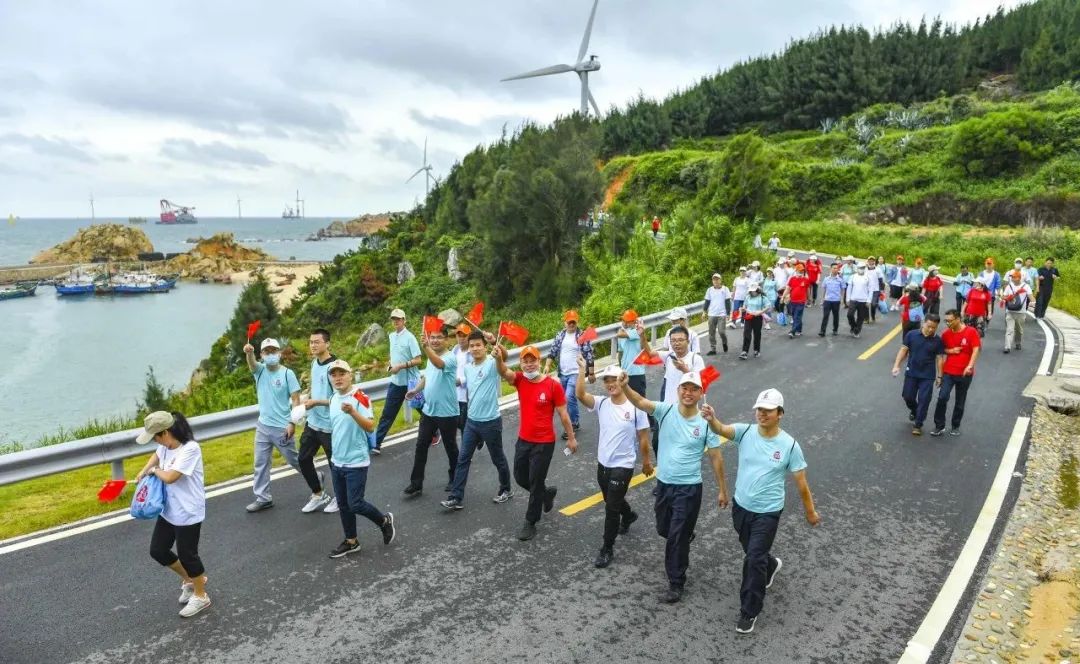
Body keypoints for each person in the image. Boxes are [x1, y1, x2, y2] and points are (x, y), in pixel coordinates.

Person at [702, 388, 820, 634]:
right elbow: (721, 429)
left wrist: (810, 512)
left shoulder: (789, 445)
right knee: (754, 553)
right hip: (741, 506)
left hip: (768, 512)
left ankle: (749, 611)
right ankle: (772, 564)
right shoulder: (745, 432)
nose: (762, 414)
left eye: (768, 411)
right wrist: (712, 418)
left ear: (780, 414)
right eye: (759, 410)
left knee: (753, 558)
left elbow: (802, 483)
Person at [619, 371, 728, 604]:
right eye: (684, 388)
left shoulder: (706, 422)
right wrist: (626, 386)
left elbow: (716, 457)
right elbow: (640, 401)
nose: (688, 393)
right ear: (678, 390)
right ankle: (684, 535)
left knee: (676, 538)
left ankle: (676, 581)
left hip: (689, 489)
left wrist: (722, 489)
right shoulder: (665, 410)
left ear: (700, 393)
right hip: (664, 485)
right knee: (663, 529)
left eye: (693, 389)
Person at [494, 344, 576, 541]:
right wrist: (498, 358)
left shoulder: (552, 385)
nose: (529, 365)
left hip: (544, 442)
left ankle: (530, 522)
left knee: (535, 480)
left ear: (539, 361)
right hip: (524, 439)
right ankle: (545, 495)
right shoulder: (520, 380)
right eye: (525, 361)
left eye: (533, 361)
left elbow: (563, 414)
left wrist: (571, 437)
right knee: (520, 476)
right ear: (521, 363)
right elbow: (503, 371)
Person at [135, 411, 211, 618]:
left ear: (166, 432)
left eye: (156, 437)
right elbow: (157, 455)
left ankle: (201, 596)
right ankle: (191, 579)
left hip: (188, 511)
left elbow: (170, 477)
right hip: (169, 510)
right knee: (158, 550)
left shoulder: (190, 449)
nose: (155, 442)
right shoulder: (165, 446)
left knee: (188, 555)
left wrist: (154, 471)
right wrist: (144, 470)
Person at [576, 360, 650, 568]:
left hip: (623, 465)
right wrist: (582, 370)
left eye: (614, 380)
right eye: (607, 381)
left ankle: (607, 548)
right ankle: (628, 515)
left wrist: (646, 462)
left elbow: (643, 437)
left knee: (610, 508)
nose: (610, 384)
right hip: (603, 463)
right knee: (610, 499)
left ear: (623, 380)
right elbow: (580, 395)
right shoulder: (601, 403)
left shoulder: (636, 406)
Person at [324, 359, 397, 558]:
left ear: (350, 374)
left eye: (342, 374)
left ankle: (384, 521)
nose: (338, 378)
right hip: (337, 460)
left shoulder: (360, 397)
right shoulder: (332, 398)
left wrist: (353, 412)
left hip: (356, 461)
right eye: (334, 374)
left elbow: (370, 426)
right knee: (343, 504)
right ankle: (351, 541)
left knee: (355, 503)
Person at [441, 331, 514, 510]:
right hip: (472, 422)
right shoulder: (468, 367)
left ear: (484, 346)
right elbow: (465, 384)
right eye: (472, 346)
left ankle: (506, 489)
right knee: (463, 459)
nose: (474, 348)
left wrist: (496, 344)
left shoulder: (491, 362)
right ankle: (456, 497)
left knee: (498, 459)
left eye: (478, 345)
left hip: (491, 422)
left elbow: (504, 357)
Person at [243, 337, 302, 513]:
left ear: (279, 353)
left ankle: (315, 477)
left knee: (295, 460)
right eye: (266, 352)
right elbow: (252, 364)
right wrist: (249, 352)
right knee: (260, 463)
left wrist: (292, 422)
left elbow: (296, 400)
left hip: (282, 428)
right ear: (262, 354)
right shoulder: (259, 371)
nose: (270, 355)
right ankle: (263, 498)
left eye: (273, 351)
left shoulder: (287, 374)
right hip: (263, 426)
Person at [402, 322, 461, 496]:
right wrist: (415, 390)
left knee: (451, 448)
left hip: (447, 412)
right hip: (429, 411)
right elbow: (427, 377)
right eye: (432, 337)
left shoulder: (449, 358)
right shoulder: (432, 356)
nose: (435, 340)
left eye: (439, 337)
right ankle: (416, 483)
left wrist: (426, 347)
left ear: (447, 340)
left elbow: (438, 365)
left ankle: (455, 478)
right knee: (421, 446)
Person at [297, 329, 337, 514]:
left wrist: (316, 402)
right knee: (303, 459)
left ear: (327, 344)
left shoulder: (334, 368)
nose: (313, 345)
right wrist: (308, 398)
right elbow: (315, 387)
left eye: (317, 342)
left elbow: (340, 399)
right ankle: (318, 493)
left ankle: (340, 497)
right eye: (311, 342)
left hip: (329, 426)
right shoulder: (315, 363)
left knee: (334, 465)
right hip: (313, 423)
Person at [373, 309, 422, 455]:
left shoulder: (410, 338)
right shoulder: (391, 336)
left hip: (411, 382)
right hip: (396, 382)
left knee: (422, 408)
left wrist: (401, 366)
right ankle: (376, 443)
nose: (396, 321)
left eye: (398, 319)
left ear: (404, 320)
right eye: (393, 319)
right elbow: (394, 355)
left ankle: (434, 433)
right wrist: (391, 364)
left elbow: (419, 360)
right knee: (388, 414)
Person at [544, 310, 596, 440]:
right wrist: (547, 365)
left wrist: (591, 372)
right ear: (565, 322)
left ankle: (572, 424)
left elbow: (589, 354)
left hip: (576, 372)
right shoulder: (560, 335)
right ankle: (575, 421)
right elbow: (553, 351)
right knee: (566, 399)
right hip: (563, 373)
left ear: (577, 322)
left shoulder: (582, 335)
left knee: (568, 397)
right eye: (569, 322)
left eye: (574, 322)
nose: (571, 324)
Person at [891, 315, 945, 436]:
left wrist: (940, 376)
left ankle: (918, 424)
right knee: (907, 396)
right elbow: (903, 350)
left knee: (924, 400)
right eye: (929, 326)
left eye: (934, 328)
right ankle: (914, 410)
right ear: (924, 323)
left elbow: (940, 359)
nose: (931, 330)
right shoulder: (911, 335)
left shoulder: (938, 341)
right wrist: (896, 365)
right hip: (912, 372)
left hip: (927, 375)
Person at [931, 309, 981, 437]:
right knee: (942, 397)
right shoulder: (946, 334)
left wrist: (970, 366)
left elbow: (976, 350)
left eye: (950, 321)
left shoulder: (971, 332)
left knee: (960, 400)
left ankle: (955, 425)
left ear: (958, 319)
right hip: (949, 372)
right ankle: (939, 425)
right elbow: (941, 352)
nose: (948, 324)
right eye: (946, 321)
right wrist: (951, 351)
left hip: (965, 373)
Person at [615, 310, 647, 397]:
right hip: (625, 372)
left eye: (626, 320)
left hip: (637, 373)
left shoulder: (637, 331)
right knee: (626, 403)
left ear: (634, 321)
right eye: (623, 320)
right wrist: (620, 369)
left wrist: (622, 328)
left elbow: (619, 334)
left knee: (640, 402)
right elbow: (620, 353)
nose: (624, 322)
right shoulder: (624, 333)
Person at [1001, 270, 1032, 353]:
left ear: (1019, 278)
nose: (1013, 279)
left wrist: (1034, 303)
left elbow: (1031, 297)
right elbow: (1004, 296)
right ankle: (1007, 347)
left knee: (1019, 330)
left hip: (1021, 312)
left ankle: (1018, 342)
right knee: (1009, 329)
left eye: (1015, 277)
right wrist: (1007, 298)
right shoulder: (1009, 286)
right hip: (1010, 310)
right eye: (1012, 277)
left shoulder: (1026, 286)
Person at [740, 283, 771, 360]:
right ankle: (744, 352)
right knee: (747, 333)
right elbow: (745, 305)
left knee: (757, 334)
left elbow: (768, 306)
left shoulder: (762, 297)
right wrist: (743, 309)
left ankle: (756, 350)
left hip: (758, 317)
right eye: (751, 291)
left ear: (757, 290)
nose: (752, 292)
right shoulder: (748, 297)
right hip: (748, 317)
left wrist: (760, 312)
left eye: (753, 291)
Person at [704, 273, 731, 354]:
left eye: (717, 279)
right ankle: (713, 349)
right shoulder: (709, 290)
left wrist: (728, 313)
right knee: (711, 332)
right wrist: (704, 311)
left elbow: (727, 302)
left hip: (722, 314)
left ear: (720, 280)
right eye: (714, 279)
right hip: (711, 314)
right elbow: (707, 301)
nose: (715, 281)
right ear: (712, 281)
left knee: (721, 332)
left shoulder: (725, 289)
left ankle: (724, 342)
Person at [782, 262, 810, 338]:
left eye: (802, 271)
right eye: (799, 271)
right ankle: (799, 330)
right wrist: (783, 297)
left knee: (797, 316)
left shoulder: (805, 280)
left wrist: (809, 299)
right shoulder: (792, 279)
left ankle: (792, 331)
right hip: (792, 301)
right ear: (796, 271)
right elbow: (788, 289)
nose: (801, 272)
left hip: (801, 301)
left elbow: (807, 290)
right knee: (795, 316)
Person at [845, 262, 873, 338]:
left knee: (860, 318)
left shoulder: (868, 277)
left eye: (863, 268)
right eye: (860, 268)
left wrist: (869, 300)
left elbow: (871, 290)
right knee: (850, 315)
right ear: (857, 269)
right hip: (853, 299)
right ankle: (853, 326)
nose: (861, 269)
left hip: (863, 300)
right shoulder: (853, 277)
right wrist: (847, 299)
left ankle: (856, 331)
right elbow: (849, 288)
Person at [818, 262, 845, 337]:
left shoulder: (840, 280)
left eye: (837, 268)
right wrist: (822, 299)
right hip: (827, 300)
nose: (836, 269)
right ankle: (822, 331)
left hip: (836, 300)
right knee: (825, 316)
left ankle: (835, 329)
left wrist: (842, 299)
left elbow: (843, 289)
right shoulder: (826, 279)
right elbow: (824, 289)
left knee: (836, 316)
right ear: (831, 269)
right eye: (834, 268)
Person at [453, 324, 471, 432]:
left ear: (469, 336)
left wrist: (461, 380)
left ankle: (475, 439)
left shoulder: (473, 352)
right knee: (457, 423)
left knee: (464, 426)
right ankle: (477, 436)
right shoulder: (455, 350)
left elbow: (476, 373)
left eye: (464, 335)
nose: (461, 338)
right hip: (455, 394)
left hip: (467, 395)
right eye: (459, 335)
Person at [866, 256, 885, 323]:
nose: (871, 262)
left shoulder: (878, 269)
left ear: (874, 261)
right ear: (868, 261)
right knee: (866, 304)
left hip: (875, 290)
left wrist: (882, 290)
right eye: (870, 260)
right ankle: (866, 318)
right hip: (866, 290)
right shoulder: (865, 269)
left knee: (873, 304)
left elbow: (881, 280)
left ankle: (873, 316)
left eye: (872, 260)